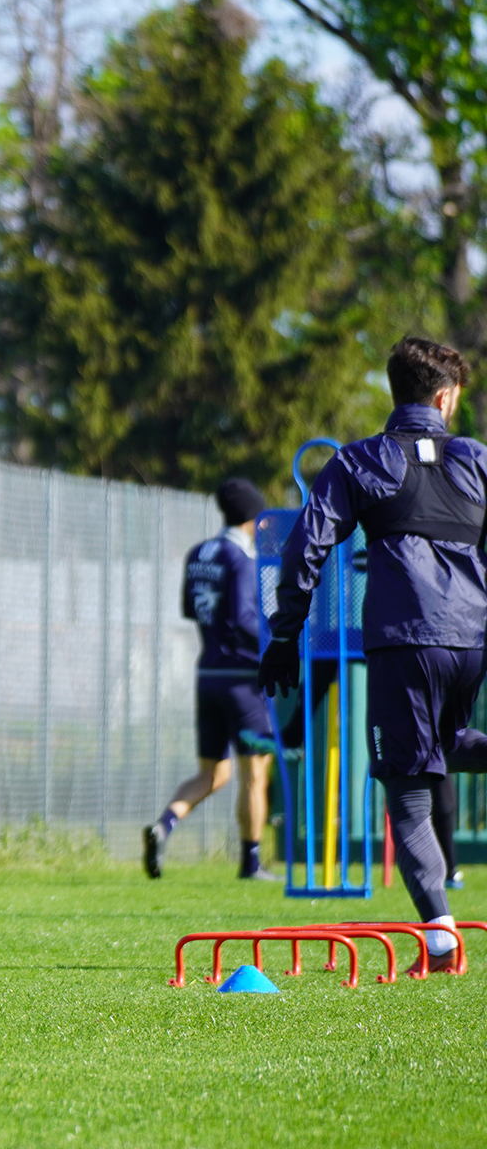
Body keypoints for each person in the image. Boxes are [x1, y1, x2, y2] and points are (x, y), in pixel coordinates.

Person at [261, 336, 487, 975]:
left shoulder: (362, 460)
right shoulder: (476, 459)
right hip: (471, 640)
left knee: (407, 788)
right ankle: (440, 929)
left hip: (405, 639)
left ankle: (441, 942)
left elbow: (306, 545)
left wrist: (286, 633)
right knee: (450, 744)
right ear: (445, 398)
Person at [144, 479, 278, 881]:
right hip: (242, 679)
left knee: (213, 774)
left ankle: (163, 826)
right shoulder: (242, 559)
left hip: (208, 675)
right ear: (254, 517)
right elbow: (242, 617)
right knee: (256, 773)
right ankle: (250, 862)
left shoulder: (199, 552)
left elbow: (191, 608)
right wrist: (281, 643)